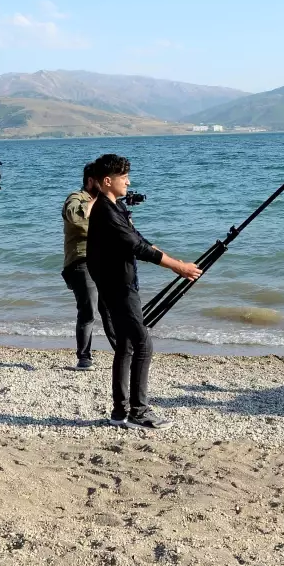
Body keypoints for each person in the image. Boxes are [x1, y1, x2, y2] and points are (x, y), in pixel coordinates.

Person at [86, 154, 202, 431]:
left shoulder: (114, 208)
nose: (128, 181)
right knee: (142, 344)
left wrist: (179, 263)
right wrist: (177, 268)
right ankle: (139, 412)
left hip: (122, 285)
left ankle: (119, 412)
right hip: (118, 288)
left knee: (127, 345)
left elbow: (140, 240)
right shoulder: (104, 210)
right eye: (123, 177)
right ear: (107, 181)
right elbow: (136, 248)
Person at [61, 162, 115, 370]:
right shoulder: (76, 198)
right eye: (102, 182)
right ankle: (84, 358)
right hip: (80, 261)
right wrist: (98, 200)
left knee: (110, 310)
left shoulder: (106, 202)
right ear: (91, 181)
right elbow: (75, 218)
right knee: (89, 310)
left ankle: (123, 351)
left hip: (103, 262)